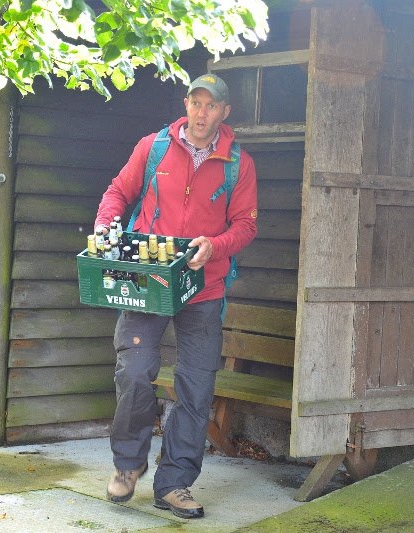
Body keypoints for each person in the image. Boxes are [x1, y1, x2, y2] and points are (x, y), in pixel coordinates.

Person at [94, 73, 258, 519]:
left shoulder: (238, 163)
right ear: (186, 104)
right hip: (148, 280)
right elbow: (118, 192)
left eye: (211, 105)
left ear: (224, 112)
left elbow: (246, 225)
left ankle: (174, 483)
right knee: (134, 371)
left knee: (196, 387)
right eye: (196, 103)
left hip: (204, 286)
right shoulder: (154, 148)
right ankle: (128, 465)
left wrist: (215, 246)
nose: (202, 113)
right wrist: (106, 225)